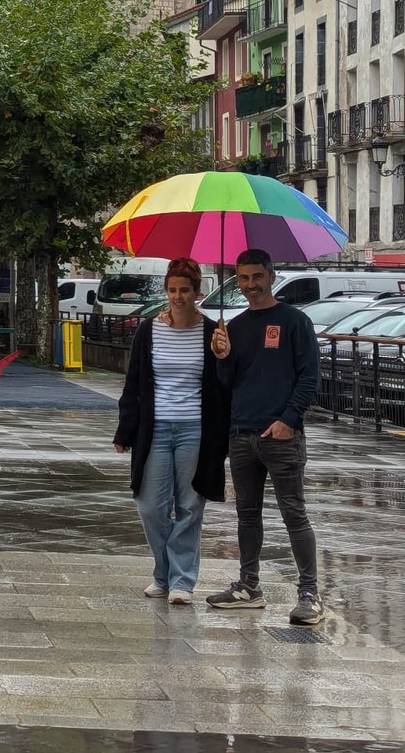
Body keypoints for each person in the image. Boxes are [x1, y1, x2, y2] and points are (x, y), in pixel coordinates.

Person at [207, 249, 325, 625]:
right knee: (246, 514)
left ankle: (309, 593)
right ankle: (248, 586)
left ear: (271, 275)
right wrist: (221, 356)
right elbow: (226, 384)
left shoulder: (294, 322)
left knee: (294, 513)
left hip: (282, 436)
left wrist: (289, 419)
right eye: (243, 278)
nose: (250, 285)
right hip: (242, 434)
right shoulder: (235, 326)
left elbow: (310, 376)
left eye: (257, 276)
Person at [113, 257, 230, 604]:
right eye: (173, 290)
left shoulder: (212, 332)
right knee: (150, 505)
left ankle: (181, 581)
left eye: (185, 290)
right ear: (166, 291)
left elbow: (223, 388)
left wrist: (224, 357)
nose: (178, 296)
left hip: (195, 428)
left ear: (197, 292)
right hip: (156, 429)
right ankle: (162, 572)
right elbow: (133, 383)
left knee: (191, 505)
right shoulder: (149, 330)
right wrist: (125, 431)